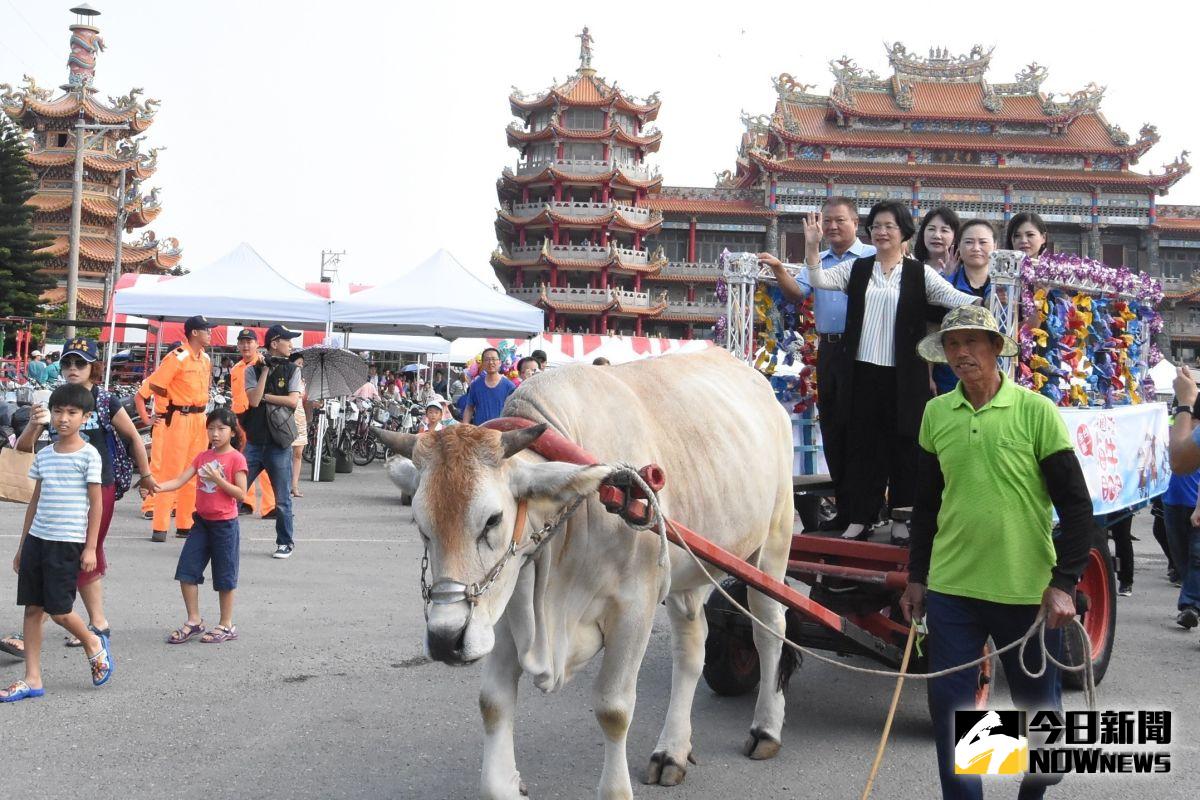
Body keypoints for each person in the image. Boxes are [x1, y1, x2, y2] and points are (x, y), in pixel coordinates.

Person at [900, 305, 1093, 800]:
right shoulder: (936, 413)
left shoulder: (1036, 412)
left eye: (972, 342)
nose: (961, 353)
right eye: (952, 345)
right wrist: (917, 576)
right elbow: (925, 505)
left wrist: (1064, 582)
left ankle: (1035, 786)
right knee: (953, 712)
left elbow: (1076, 507)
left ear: (994, 348)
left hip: (1025, 591)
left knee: (1036, 717)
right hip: (952, 589)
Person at [782, 202, 979, 542]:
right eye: (876, 226)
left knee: (905, 445)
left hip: (906, 376)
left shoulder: (920, 274)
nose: (882, 232)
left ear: (904, 231)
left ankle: (902, 517)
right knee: (862, 446)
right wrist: (812, 246)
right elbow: (817, 279)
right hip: (862, 371)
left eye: (889, 225)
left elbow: (956, 299)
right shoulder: (857, 269)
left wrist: (998, 301)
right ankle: (861, 516)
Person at [15, 339, 157, 651]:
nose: (73, 369)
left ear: (94, 366)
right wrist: (33, 422)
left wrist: (145, 475)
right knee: (76, 554)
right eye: (67, 363)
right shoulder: (56, 400)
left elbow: (133, 437)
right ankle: (96, 622)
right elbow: (24, 448)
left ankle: (68, 624)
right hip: (58, 489)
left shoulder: (104, 400)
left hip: (98, 486)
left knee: (84, 551)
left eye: (80, 363)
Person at [758, 197, 876, 529]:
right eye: (828, 221)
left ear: (855, 222)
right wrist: (781, 269)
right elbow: (797, 294)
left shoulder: (872, 258)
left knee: (862, 428)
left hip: (865, 348)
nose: (833, 226)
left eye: (841, 220)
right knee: (834, 427)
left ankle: (868, 507)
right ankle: (844, 507)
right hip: (830, 349)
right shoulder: (818, 260)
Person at [1, 383, 114, 701]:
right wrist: (23, 546)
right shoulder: (46, 455)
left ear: (85, 417)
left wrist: (91, 548)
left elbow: (97, 504)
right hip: (38, 540)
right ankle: (32, 679)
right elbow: (35, 502)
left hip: (67, 543)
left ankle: (93, 643)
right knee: (32, 609)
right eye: (58, 411)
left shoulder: (89, 455)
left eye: (72, 413)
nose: (63, 418)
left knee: (60, 610)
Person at [156, 407, 247, 645]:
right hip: (202, 524)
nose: (215, 434)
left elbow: (241, 493)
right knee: (187, 571)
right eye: (211, 428)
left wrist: (219, 480)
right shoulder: (202, 457)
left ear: (232, 432)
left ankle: (226, 624)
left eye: (221, 429)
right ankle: (194, 620)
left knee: (225, 576)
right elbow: (179, 480)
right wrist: (156, 486)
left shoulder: (236, 458)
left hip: (225, 525)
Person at [148, 315, 214, 542]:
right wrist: (167, 409)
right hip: (179, 417)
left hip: (199, 418)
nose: (210, 333)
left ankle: (186, 523)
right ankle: (160, 525)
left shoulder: (205, 359)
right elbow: (156, 384)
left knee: (193, 471)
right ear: (194, 332)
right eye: (206, 329)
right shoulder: (178, 357)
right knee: (171, 471)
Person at [242, 324, 303, 559]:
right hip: (255, 441)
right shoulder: (253, 370)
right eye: (288, 340)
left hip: (279, 443)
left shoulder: (293, 370)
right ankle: (216, 534)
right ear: (275, 343)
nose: (291, 345)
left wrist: (267, 396)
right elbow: (253, 401)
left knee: (283, 498)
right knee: (235, 490)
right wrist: (265, 371)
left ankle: (285, 542)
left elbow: (292, 401)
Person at [932, 219, 996, 395]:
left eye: (983, 242)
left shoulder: (1007, 288)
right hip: (950, 377)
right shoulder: (943, 286)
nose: (976, 248)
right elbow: (931, 330)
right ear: (958, 245)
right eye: (969, 242)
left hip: (997, 378)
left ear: (995, 245)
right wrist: (928, 375)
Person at [229, 329, 276, 519]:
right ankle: (246, 501)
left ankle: (270, 505)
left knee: (265, 464)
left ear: (257, 344)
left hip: (258, 417)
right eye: (242, 342)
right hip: (239, 418)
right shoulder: (236, 368)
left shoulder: (264, 365)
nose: (246, 345)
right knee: (242, 463)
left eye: (250, 342)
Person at [1159, 453, 1200, 628]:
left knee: (1197, 558)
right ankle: (1191, 601)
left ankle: (1190, 605)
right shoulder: (1175, 436)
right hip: (1172, 502)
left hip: (1195, 506)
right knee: (1180, 557)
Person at [463, 347, 517, 425]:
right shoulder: (475, 385)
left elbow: (513, 411)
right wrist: (465, 425)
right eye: (487, 359)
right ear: (483, 363)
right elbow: (469, 408)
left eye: (494, 359)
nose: (491, 362)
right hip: (480, 431)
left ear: (500, 362)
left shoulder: (509, 386)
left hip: (501, 432)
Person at [913, 207, 961, 275]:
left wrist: (951, 277)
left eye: (944, 230)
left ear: (955, 237)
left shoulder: (964, 271)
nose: (937, 235)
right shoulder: (910, 268)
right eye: (931, 229)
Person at [289, 351, 308, 498]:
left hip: (300, 417)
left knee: (298, 453)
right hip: (287, 416)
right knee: (285, 454)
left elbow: (304, 399)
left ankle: (294, 486)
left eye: (302, 364)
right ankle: (284, 485)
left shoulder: (302, 381)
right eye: (298, 363)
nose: (300, 366)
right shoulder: (287, 378)